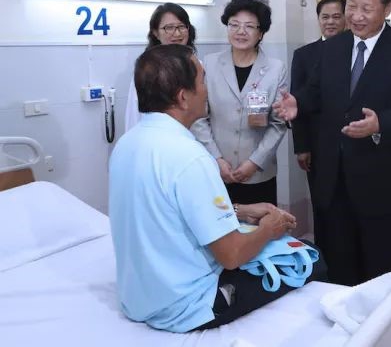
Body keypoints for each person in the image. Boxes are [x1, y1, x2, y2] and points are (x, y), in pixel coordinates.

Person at [109, 44, 320, 333]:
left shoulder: (127, 144)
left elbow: (165, 211)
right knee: (310, 256)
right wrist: (270, 228)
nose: (207, 89)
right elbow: (231, 255)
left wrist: (241, 211)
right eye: (201, 80)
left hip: (137, 299)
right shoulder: (191, 157)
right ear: (183, 97)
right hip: (186, 307)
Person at [273, 0, 391, 286]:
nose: (356, 16)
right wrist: (297, 104)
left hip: (381, 184)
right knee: (337, 264)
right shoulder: (332, 48)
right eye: (352, 6)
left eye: (366, 9)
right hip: (332, 181)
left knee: (382, 269)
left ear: (387, 9)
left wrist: (380, 122)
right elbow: (316, 91)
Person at [192, 0, 287, 206]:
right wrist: (216, 159)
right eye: (234, 25)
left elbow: (279, 124)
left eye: (249, 26)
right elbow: (199, 117)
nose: (240, 31)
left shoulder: (275, 68)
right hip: (217, 170)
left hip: (259, 173)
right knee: (219, 230)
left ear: (261, 33)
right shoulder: (210, 63)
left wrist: (254, 163)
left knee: (260, 232)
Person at [290, 0, 346, 248]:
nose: (331, 22)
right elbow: (296, 105)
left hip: (351, 143)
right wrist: (301, 146)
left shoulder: (356, 52)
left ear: (346, 19)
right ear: (318, 20)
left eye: (336, 16)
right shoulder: (304, 55)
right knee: (323, 204)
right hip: (317, 145)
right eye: (325, 17)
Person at [124, 2, 197, 132]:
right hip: (155, 141)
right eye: (169, 28)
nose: (177, 33)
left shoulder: (198, 66)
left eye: (181, 26)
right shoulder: (147, 71)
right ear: (156, 33)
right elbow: (133, 117)